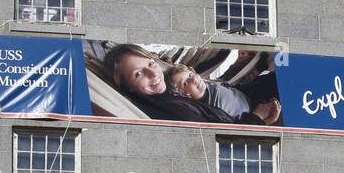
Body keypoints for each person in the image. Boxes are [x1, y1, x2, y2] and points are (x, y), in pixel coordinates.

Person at [101, 43, 280, 125]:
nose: (152, 73)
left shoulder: (169, 93)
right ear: (128, 87)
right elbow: (225, 139)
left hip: (246, 96)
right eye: (138, 73)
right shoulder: (172, 108)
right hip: (252, 115)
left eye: (150, 63)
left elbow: (222, 84)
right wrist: (258, 119)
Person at [168, 63, 281, 125]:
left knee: (272, 78)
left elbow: (230, 88)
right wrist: (260, 118)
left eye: (190, 75)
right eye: (185, 83)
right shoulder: (209, 110)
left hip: (247, 93)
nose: (192, 80)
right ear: (184, 95)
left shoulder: (207, 84)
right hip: (253, 111)